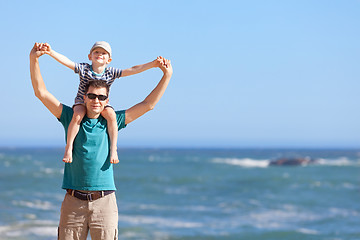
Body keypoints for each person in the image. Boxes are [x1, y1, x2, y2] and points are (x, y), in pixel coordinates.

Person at [30, 42, 172, 240]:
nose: (96, 100)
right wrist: (33, 60)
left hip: (104, 203)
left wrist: (166, 76)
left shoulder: (112, 120)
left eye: (101, 97)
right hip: (73, 202)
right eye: (91, 96)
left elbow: (148, 104)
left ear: (107, 100)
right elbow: (41, 93)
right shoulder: (71, 117)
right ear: (84, 97)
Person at [39, 41, 162, 164]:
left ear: (109, 60)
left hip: (102, 103)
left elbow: (132, 70)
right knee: (77, 115)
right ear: (90, 56)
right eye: (96, 52)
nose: (100, 54)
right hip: (82, 101)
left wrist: (152, 64)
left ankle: (113, 148)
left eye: (104, 53)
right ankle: (69, 147)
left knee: (112, 115)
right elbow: (67, 62)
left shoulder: (111, 72)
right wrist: (51, 52)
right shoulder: (84, 68)